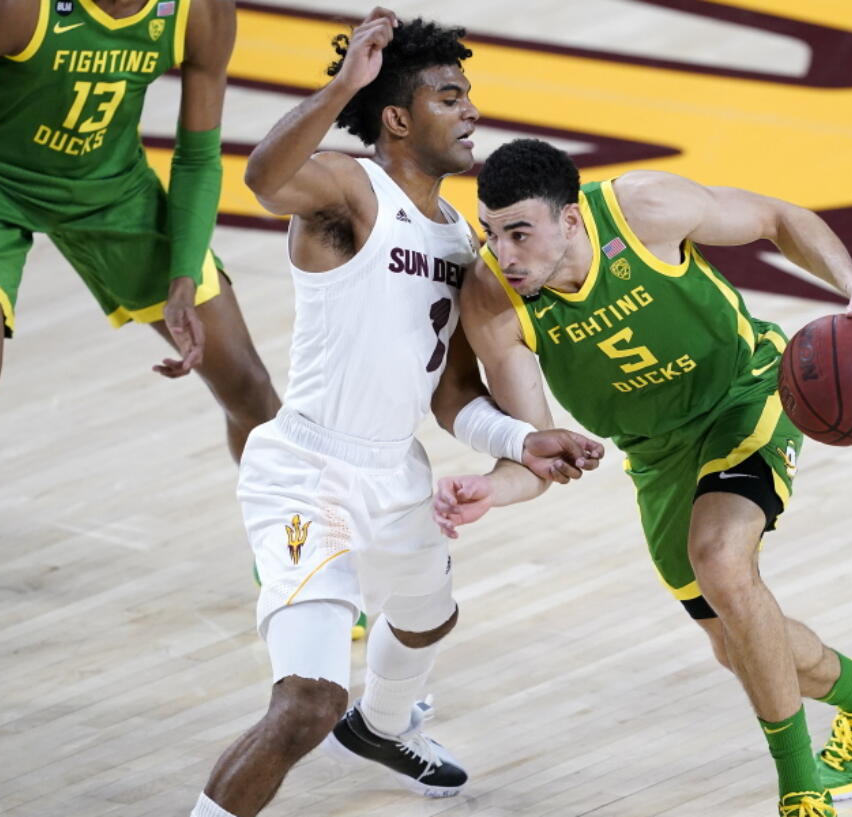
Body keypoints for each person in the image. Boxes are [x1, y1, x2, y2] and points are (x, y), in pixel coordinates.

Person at [188, 15, 603, 817]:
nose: (471, 110)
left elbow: (449, 394)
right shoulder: (351, 191)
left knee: (427, 618)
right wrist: (343, 84)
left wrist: (525, 438)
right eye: (451, 96)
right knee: (307, 703)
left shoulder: (457, 239)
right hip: (308, 473)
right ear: (399, 119)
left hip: (394, 468)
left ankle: (380, 726)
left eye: (469, 94)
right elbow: (264, 181)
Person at [435, 138, 852, 817]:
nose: (503, 252)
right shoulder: (493, 301)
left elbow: (780, 218)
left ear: (570, 220)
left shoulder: (643, 210)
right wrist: (494, 487)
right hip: (656, 455)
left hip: (743, 398)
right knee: (737, 644)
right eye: (491, 232)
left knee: (721, 560)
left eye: (520, 232)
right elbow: (534, 455)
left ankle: (801, 788)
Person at [0, 0, 278, 461]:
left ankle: (299, 533)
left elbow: (197, 156)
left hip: (111, 189)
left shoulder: (200, 10)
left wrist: (184, 276)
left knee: (249, 384)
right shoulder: (13, 7)